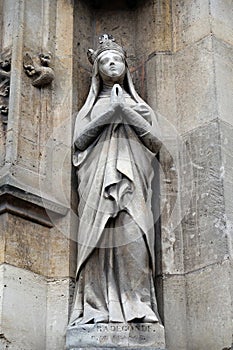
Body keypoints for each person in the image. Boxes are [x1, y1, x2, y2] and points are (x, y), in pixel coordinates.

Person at [70, 34, 162, 325]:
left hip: (133, 182)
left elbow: (155, 143)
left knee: (134, 235)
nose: (112, 65)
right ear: (97, 69)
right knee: (98, 240)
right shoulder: (90, 109)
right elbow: (79, 143)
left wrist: (126, 112)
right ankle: (95, 307)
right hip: (96, 183)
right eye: (105, 61)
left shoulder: (141, 108)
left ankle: (138, 304)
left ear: (126, 66)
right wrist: (110, 112)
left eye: (117, 60)